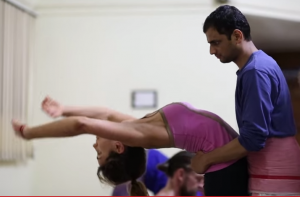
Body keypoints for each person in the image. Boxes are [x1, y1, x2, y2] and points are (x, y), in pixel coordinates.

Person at [11, 97, 249, 196]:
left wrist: (63, 110)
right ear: (118, 146)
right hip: (228, 166)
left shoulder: (139, 130)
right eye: (99, 151)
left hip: (230, 161)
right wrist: (28, 133)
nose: (95, 143)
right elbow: (81, 124)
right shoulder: (139, 134)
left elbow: (105, 113)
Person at [194, 5, 300, 196]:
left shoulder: (255, 71)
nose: (211, 50)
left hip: (274, 178)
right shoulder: (261, 64)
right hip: (273, 174)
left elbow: (252, 139)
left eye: (216, 42)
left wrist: (207, 159)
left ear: (237, 36)